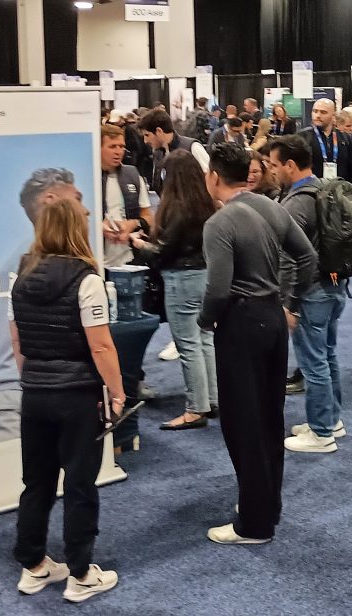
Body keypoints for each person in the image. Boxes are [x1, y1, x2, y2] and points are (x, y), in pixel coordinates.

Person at [198, 143, 317, 544]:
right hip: (271, 317)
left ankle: (254, 522)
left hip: (241, 323)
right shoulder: (272, 207)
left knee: (242, 423)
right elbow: (307, 256)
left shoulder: (219, 223)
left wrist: (204, 320)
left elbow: (217, 288)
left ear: (214, 175)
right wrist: (291, 302)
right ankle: (267, 505)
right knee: (269, 418)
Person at [10, 198, 126, 603]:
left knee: (36, 483)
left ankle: (34, 566)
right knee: (79, 485)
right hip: (76, 397)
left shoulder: (20, 276)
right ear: (76, 229)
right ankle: (80, 575)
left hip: (35, 395)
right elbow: (101, 347)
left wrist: (35, 380)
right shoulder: (87, 279)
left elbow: (18, 343)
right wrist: (117, 392)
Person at [266, 136, 349, 453]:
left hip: (310, 292)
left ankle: (321, 433)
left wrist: (290, 304)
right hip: (333, 286)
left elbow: (291, 258)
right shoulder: (325, 189)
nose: (272, 171)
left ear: (289, 165)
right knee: (327, 356)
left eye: (274, 165)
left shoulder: (297, 202)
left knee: (313, 362)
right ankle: (331, 419)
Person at [130, 151, 219, 430]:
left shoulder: (177, 207)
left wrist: (139, 245)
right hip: (204, 275)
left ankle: (195, 409)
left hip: (181, 278)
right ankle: (211, 399)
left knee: (188, 344)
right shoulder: (206, 204)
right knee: (204, 340)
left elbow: (163, 252)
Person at [100, 124, 153, 269]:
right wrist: (98, 227)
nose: (119, 152)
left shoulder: (133, 175)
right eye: (112, 147)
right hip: (96, 260)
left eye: (121, 146)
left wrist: (132, 224)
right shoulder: (87, 179)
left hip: (129, 261)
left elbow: (148, 216)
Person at [138, 109, 210, 194]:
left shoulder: (192, 147)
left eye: (147, 135)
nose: (145, 141)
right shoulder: (158, 154)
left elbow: (210, 179)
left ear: (159, 131)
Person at [298, 98, 352, 185]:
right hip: (311, 191)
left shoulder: (345, 138)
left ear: (333, 115)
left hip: (339, 192)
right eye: (315, 111)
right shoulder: (302, 137)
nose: (318, 115)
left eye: (323, 112)